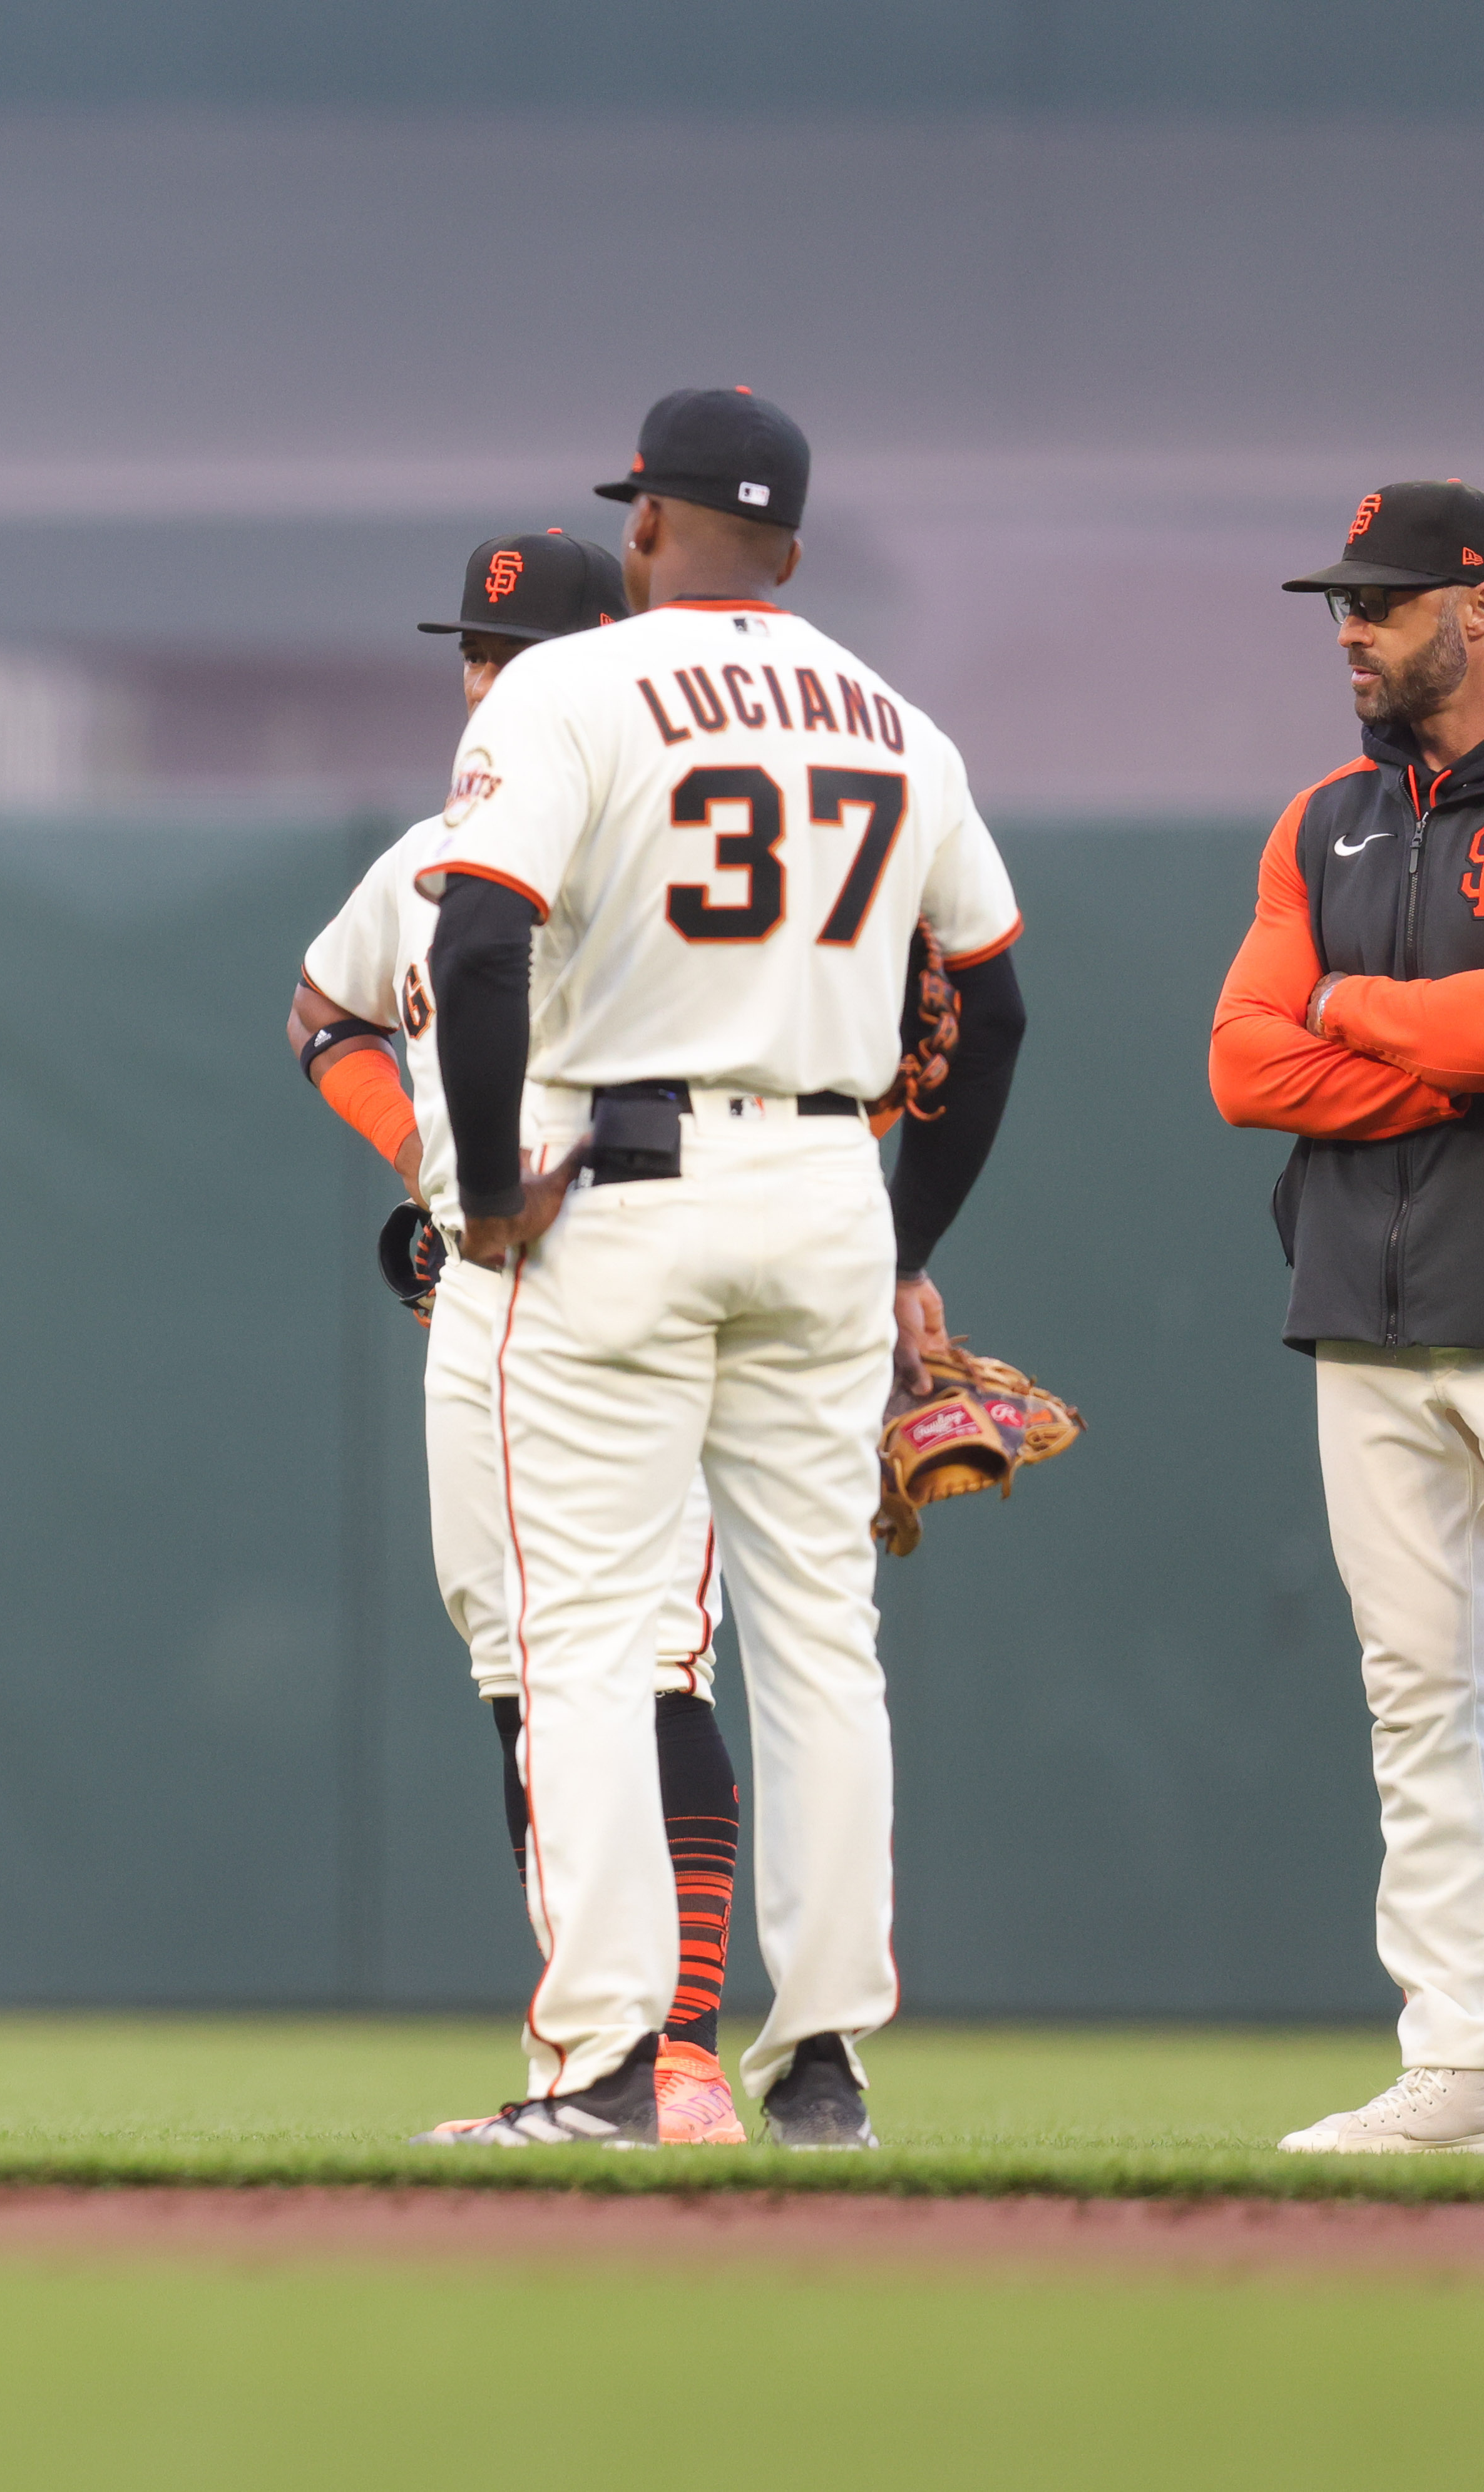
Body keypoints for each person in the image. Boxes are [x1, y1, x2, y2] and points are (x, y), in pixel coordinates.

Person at [410, 387, 1029, 2146]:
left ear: (644, 529)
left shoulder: (569, 682)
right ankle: (820, 2062)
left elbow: (471, 942)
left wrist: (475, 1187)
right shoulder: (899, 718)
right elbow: (989, 1007)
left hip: (625, 1177)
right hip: (827, 1184)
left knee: (590, 1639)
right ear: (795, 551)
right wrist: (900, 1242)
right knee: (821, 1641)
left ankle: (606, 2066)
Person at [289, 528, 748, 2147]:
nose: (483, 680)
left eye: (517, 652)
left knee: (650, 1660)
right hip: (483, 1304)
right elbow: (320, 1014)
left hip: (639, 1274)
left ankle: (676, 2051)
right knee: (522, 1674)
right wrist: (433, 1174)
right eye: (473, 653)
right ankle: (597, 2051)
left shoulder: (666, 852)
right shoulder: (428, 855)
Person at [1209, 479, 1484, 2155]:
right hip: (1364, 1311)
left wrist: (1346, 1016)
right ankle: (1458, 2062)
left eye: (1380, 603)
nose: (1349, 629)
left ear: (1477, 606)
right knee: (1417, 1695)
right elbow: (1240, 1062)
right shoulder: (1322, 815)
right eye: (1342, 603)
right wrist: (1427, 1055)